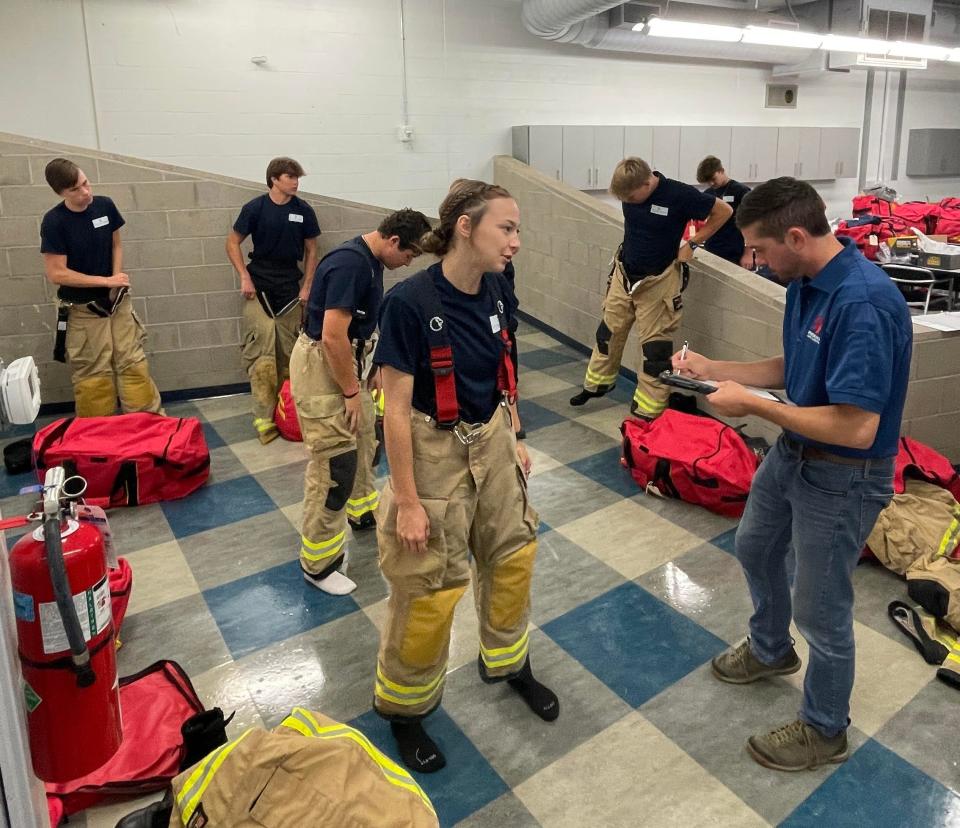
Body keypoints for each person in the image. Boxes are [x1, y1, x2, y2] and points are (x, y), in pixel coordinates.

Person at [673, 177, 911, 771]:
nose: (755, 260)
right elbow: (795, 361)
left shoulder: (861, 301)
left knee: (821, 608)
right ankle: (771, 649)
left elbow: (858, 427)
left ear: (797, 236)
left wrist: (752, 405)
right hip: (795, 453)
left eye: (760, 248)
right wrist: (714, 367)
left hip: (844, 475)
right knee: (754, 545)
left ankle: (825, 729)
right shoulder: (806, 281)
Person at [372, 181, 558, 774]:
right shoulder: (407, 303)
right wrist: (406, 501)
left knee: (512, 556)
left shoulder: (498, 286)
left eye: (517, 230)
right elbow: (394, 410)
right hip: (432, 449)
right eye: (506, 228)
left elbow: (505, 361)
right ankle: (404, 710)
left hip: (494, 438)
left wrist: (514, 432)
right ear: (465, 227)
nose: (516, 242)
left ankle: (506, 662)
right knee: (429, 585)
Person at [292, 209, 431, 595]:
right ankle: (318, 564)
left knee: (366, 441)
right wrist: (351, 392)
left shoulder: (371, 260)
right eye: (410, 255)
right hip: (325, 367)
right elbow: (332, 336)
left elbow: (357, 328)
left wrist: (368, 368)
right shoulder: (351, 265)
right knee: (336, 465)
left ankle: (361, 512)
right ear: (393, 242)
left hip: (349, 361)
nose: (408, 263)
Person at [569, 157, 733, 418]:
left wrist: (692, 243)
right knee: (608, 333)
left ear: (647, 183)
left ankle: (649, 408)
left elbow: (724, 211)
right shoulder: (629, 192)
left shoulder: (678, 194)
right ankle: (598, 383)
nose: (630, 202)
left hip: (658, 281)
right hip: (625, 274)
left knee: (654, 350)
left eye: (633, 197)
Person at [40, 158, 162, 417]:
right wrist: (106, 282)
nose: (85, 192)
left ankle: (148, 424)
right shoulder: (55, 221)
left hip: (117, 304)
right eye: (75, 189)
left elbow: (116, 243)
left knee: (133, 364)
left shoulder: (104, 206)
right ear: (60, 192)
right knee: (94, 374)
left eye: (86, 183)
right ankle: (98, 436)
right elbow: (56, 273)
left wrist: (117, 278)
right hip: (83, 311)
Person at [227, 157, 320, 443]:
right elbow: (232, 243)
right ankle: (264, 419)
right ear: (275, 179)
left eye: (297, 178)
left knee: (292, 357)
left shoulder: (303, 211)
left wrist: (307, 286)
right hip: (260, 290)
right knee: (262, 359)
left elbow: (312, 251)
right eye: (290, 177)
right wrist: (244, 276)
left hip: (290, 290)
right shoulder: (254, 208)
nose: (295, 182)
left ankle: (289, 416)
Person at [695, 155, 752, 267]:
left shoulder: (741, 191)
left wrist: (748, 253)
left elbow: (752, 224)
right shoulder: (708, 194)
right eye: (707, 181)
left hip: (735, 251)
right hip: (712, 249)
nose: (711, 183)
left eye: (713, 179)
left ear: (721, 171)